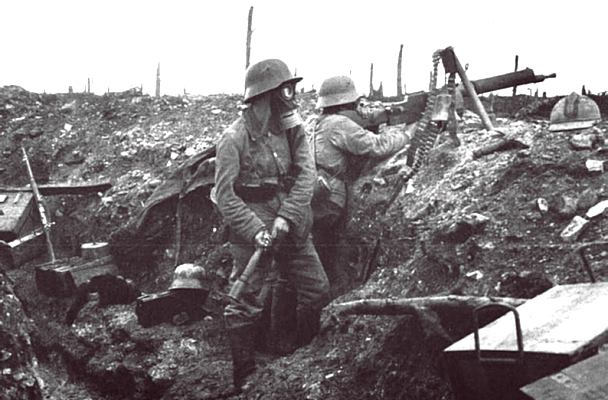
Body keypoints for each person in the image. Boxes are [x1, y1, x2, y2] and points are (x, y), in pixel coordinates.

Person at [214, 59, 329, 391]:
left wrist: (286, 216)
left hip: (291, 221)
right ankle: (245, 376)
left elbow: (307, 175)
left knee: (317, 290)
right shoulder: (233, 139)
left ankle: (304, 358)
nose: (290, 99)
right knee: (244, 301)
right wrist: (256, 229)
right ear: (266, 96)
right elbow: (225, 196)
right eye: (284, 91)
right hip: (251, 226)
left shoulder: (292, 128)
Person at [310, 75, 410, 295]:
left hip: (312, 197)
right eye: (356, 105)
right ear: (347, 104)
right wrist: (406, 133)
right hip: (329, 200)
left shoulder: (320, 121)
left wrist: (384, 115)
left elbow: (364, 120)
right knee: (326, 257)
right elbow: (378, 146)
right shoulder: (340, 124)